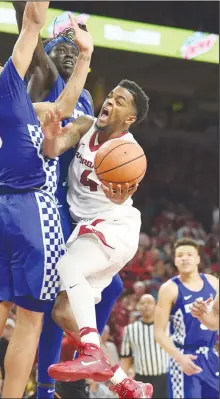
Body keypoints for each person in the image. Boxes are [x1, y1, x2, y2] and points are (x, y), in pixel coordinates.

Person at [0, 2, 94, 397]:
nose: (2, 65)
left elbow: (63, 108)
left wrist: (84, 58)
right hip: (34, 207)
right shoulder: (7, 89)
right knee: (30, 320)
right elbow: (32, 21)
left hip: (0, 212)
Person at [13, 3, 124, 398]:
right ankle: (46, 389)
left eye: (76, 53)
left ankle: (81, 353)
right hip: (40, 198)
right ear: (47, 47)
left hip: (70, 205)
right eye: (61, 48)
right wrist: (27, 12)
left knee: (112, 286)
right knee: (48, 304)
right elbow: (33, 44)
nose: (68, 56)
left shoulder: (87, 103)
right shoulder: (44, 79)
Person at [40, 80, 152, 398]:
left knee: (68, 266)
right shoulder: (86, 124)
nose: (110, 102)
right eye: (111, 97)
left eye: (120, 102)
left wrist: (118, 197)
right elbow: (53, 149)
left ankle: (90, 353)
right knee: (63, 312)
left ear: (130, 118)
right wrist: (51, 137)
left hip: (115, 226)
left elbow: (121, 198)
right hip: (90, 230)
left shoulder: (129, 151)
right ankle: (125, 384)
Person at [154, 237, 219, 398]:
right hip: (185, 357)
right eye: (180, 255)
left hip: (211, 356)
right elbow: (159, 332)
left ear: (198, 259)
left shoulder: (213, 282)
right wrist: (179, 357)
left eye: (189, 254)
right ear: (175, 261)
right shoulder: (169, 289)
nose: (185, 258)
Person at [120, 294, 169, 399]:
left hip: (165, 379)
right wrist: (122, 381)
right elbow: (125, 358)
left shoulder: (167, 326)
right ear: (138, 307)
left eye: (150, 303)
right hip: (141, 379)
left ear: (156, 306)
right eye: (143, 303)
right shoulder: (130, 329)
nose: (146, 305)